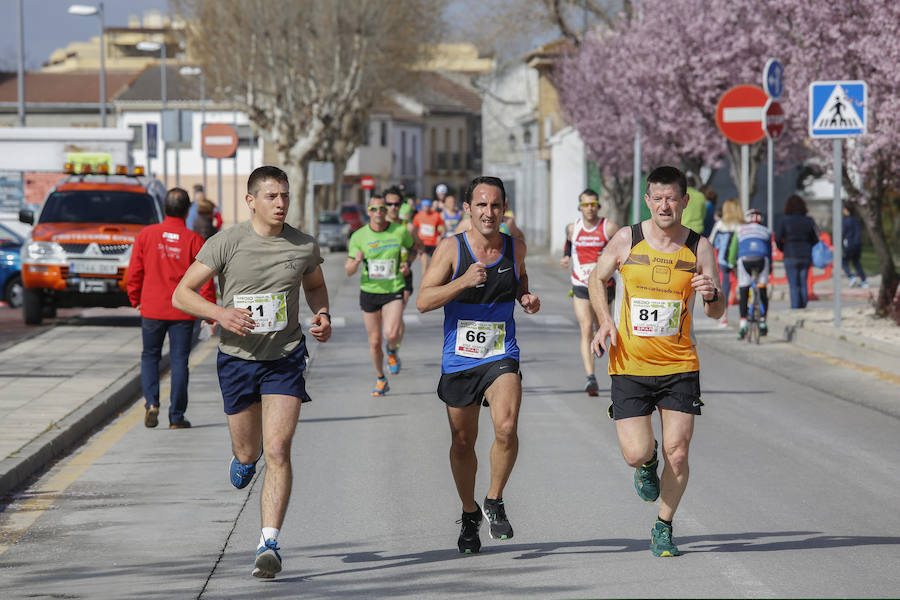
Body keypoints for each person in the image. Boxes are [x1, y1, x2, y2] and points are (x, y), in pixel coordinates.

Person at [172, 165, 332, 579]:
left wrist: (323, 314)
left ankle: (269, 542)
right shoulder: (225, 242)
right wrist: (220, 313)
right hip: (237, 360)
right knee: (250, 452)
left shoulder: (302, 245)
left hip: (286, 357)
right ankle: (245, 458)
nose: (280, 204)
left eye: (284, 196)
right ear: (251, 200)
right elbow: (182, 294)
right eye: (271, 196)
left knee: (278, 449)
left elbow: (314, 285)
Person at [588, 166, 724, 558]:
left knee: (678, 453)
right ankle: (646, 463)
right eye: (657, 198)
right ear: (648, 201)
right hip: (629, 364)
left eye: (672, 198)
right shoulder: (626, 239)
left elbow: (716, 311)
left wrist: (711, 292)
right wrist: (604, 321)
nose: (665, 205)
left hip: (680, 365)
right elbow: (598, 278)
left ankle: (663, 526)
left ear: (685, 201)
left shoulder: (699, 247)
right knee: (635, 453)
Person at [417, 175, 540, 554]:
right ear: (468, 209)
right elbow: (423, 300)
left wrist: (526, 297)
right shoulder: (451, 250)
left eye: (496, 205)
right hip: (459, 358)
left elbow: (521, 282)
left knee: (506, 425)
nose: (489, 213)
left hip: (501, 353)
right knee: (462, 442)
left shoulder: (515, 247)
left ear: (504, 209)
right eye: (481, 205)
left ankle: (494, 499)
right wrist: (462, 282)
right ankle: (469, 512)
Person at [127, 187, 216, 430]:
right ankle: (176, 416)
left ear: (164, 208)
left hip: (152, 308)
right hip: (183, 311)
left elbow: (134, 271)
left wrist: (135, 298)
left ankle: (151, 403)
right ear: (188, 210)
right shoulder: (194, 240)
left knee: (150, 356)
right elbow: (207, 277)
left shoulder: (146, 235)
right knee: (179, 361)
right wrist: (209, 310)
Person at [346, 193, 415, 395]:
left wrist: (407, 263)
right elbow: (348, 270)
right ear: (368, 212)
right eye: (374, 209)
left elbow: (413, 249)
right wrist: (356, 262)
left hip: (394, 288)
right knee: (375, 342)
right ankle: (380, 378)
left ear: (387, 211)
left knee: (391, 333)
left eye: (382, 208)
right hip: (369, 292)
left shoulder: (399, 231)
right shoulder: (359, 236)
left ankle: (392, 351)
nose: (379, 212)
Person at [560, 188, 619, 396]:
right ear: (580, 207)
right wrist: (566, 256)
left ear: (598, 206)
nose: (590, 208)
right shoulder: (572, 228)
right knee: (585, 327)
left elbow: (624, 246)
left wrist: (611, 253)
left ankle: (600, 340)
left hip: (604, 286)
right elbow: (569, 244)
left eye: (593, 204)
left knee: (602, 325)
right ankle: (590, 377)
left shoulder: (609, 227)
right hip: (580, 284)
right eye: (586, 205)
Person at [728, 208, 772, 339]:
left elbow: (733, 250)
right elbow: (769, 252)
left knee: (744, 290)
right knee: (762, 288)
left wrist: (731, 263)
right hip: (762, 259)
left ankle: (742, 325)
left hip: (744, 259)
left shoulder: (740, 230)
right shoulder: (766, 231)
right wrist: (771, 268)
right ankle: (763, 322)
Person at [774, 194, 819, 309]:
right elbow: (815, 239)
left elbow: (778, 238)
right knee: (804, 283)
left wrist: (783, 248)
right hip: (805, 255)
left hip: (790, 254)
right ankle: (803, 306)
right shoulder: (809, 220)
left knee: (793, 284)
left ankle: (795, 308)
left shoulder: (784, 220)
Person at [707, 198, 743, 327]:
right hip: (741, 258)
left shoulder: (720, 224)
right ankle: (746, 315)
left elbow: (710, 241)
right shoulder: (742, 225)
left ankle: (723, 316)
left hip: (724, 259)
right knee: (745, 283)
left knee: (725, 286)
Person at [385, 186, 419, 308]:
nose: (393, 207)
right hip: (382, 277)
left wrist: (408, 263)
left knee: (397, 316)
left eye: (396, 204)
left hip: (403, 274)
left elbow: (417, 249)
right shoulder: (377, 227)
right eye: (389, 204)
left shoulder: (408, 227)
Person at [412, 198, 445, 273]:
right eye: (424, 206)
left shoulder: (436, 215)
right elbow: (414, 230)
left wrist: (440, 236)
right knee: (425, 264)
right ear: (422, 207)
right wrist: (416, 244)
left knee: (435, 265)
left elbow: (442, 229)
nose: (426, 208)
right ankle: (424, 282)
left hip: (434, 243)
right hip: (423, 243)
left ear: (430, 206)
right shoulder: (418, 216)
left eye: (427, 206)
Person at [842, 204, 868, 287]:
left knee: (844, 261)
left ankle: (851, 276)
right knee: (856, 262)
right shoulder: (856, 220)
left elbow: (842, 232)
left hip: (850, 243)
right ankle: (864, 281)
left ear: (846, 210)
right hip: (858, 244)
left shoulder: (846, 220)